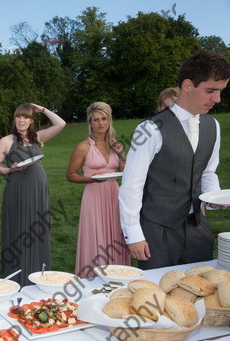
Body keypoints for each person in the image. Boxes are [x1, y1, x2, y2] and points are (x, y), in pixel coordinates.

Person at [119, 49, 230, 270]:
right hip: (157, 232)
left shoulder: (213, 126)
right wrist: (133, 235)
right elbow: (131, 185)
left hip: (198, 229)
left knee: (200, 295)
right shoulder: (149, 129)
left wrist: (213, 196)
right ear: (187, 86)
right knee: (155, 299)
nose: (217, 99)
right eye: (211, 90)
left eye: (221, 91)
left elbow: (207, 172)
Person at [0, 103, 66, 286]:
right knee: (20, 232)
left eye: (26, 117)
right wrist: (11, 169)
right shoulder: (6, 141)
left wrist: (42, 109)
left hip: (39, 193)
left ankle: (38, 278)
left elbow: (60, 124)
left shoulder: (37, 137)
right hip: (18, 192)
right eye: (18, 117)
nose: (21, 120)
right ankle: (17, 280)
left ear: (31, 120)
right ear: (14, 119)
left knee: (38, 231)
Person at [66, 102, 129, 278]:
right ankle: (93, 278)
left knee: (116, 234)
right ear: (90, 123)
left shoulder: (114, 144)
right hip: (93, 196)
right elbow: (70, 174)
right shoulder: (83, 146)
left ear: (109, 120)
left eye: (104, 118)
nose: (101, 123)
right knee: (96, 236)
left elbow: (123, 172)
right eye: (96, 119)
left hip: (114, 194)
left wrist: (122, 155)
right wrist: (91, 179)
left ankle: (118, 276)